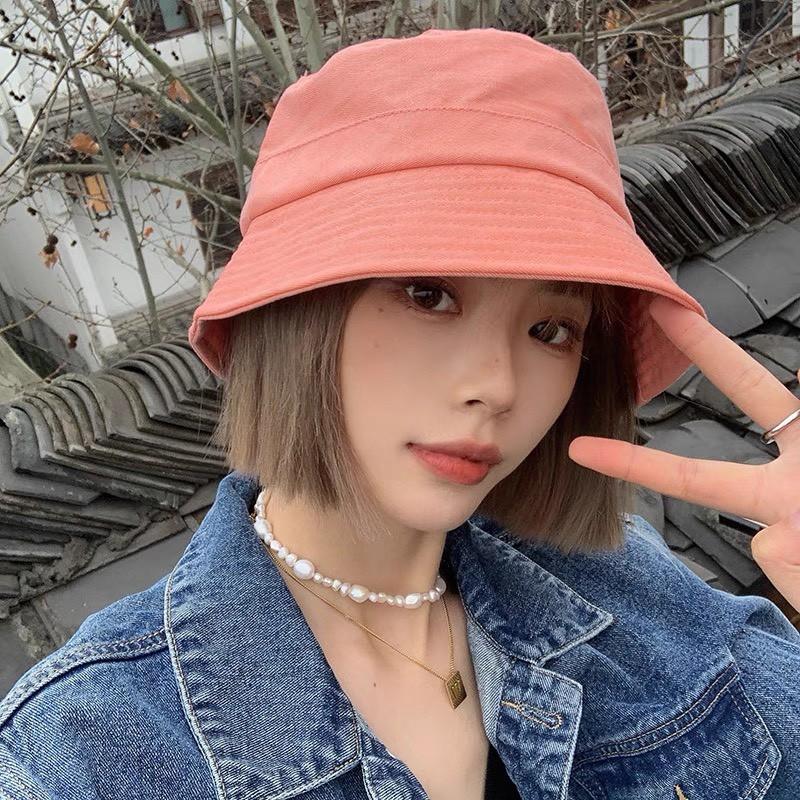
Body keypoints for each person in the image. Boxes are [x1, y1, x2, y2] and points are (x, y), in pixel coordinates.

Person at [1, 27, 799, 800]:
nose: (498, 386)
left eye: (551, 329)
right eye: (429, 294)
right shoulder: (82, 753)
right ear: (298, 314)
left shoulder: (624, 582)